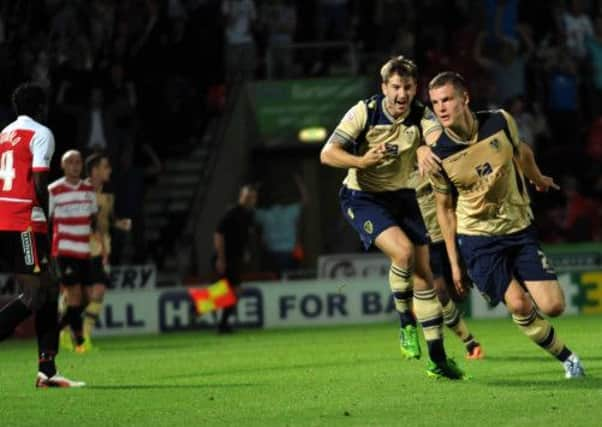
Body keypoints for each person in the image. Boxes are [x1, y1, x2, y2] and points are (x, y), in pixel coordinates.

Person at [427, 71, 584, 378]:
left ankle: (535, 320)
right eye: (435, 103)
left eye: (447, 99)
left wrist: (537, 178)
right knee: (519, 305)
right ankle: (569, 359)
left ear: (465, 99)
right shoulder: (438, 155)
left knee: (553, 306)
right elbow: (444, 210)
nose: (441, 108)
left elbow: (521, 151)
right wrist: (454, 263)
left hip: (518, 228)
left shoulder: (500, 121)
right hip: (478, 238)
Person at [320, 56, 466, 379]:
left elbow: (437, 139)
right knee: (403, 253)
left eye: (408, 87)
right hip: (362, 196)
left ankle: (438, 361)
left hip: (402, 196)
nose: (402, 94)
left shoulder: (420, 114)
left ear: (415, 89)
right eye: (396, 87)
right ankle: (404, 324)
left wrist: (428, 148)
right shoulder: (365, 112)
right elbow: (327, 154)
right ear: (384, 87)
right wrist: (362, 161)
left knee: (425, 276)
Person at [0, 82, 84, 387]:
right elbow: (38, 182)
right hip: (24, 221)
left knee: (49, 288)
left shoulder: (4, 135)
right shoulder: (41, 133)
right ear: (40, 107)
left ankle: (47, 369)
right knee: (34, 295)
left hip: (5, 217)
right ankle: (45, 368)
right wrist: (46, 220)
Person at [412, 171, 483, 360]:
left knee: (464, 289)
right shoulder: (394, 170)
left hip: (450, 233)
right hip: (423, 240)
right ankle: (470, 342)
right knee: (441, 293)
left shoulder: (432, 160)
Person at [81, 152, 131, 350]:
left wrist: (120, 224)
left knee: (97, 291)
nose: (109, 170)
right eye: (105, 166)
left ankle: (81, 336)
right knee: (87, 293)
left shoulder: (108, 196)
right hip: (84, 249)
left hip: (101, 250)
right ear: (94, 170)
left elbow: (108, 221)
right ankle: (74, 333)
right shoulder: (81, 192)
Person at [49, 150, 97, 353]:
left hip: (84, 250)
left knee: (88, 296)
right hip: (64, 250)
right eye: (70, 162)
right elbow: (48, 220)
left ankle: (54, 329)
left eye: (78, 162)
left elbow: (92, 217)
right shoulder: (54, 190)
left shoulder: (89, 189)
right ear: (62, 165)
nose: (75, 166)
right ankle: (79, 341)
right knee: (75, 295)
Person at [213, 184, 258, 334]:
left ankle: (222, 324)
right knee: (231, 291)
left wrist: (245, 251)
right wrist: (221, 258)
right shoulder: (233, 213)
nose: (250, 200)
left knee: (230, 291)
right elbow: (218, 234)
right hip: (228, 258)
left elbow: (243, 236)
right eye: (247, 197)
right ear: (241, 196)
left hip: (236, 258)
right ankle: (200, 307)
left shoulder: (248, 215)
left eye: (252, 197)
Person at [255, 173, 309, 277]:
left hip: (271, 253)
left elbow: (249, 210)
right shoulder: (290, 211)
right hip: (289, 252)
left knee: (273, 280)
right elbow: (305, 200)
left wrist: (256, 190)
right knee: (289, 279)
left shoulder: (265, 215)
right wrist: (299, 182)